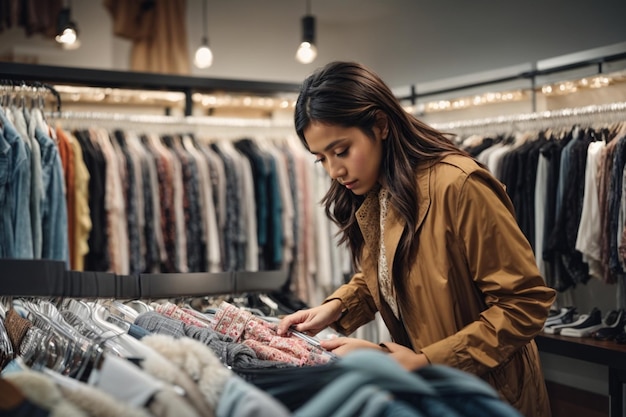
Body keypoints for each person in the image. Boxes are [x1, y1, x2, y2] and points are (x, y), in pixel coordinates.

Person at [276, 61, 556, 417]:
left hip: (490, 395)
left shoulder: (461, 186)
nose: (335, 171)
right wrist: (336, 307)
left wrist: (425, 361)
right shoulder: (381, 191)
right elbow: (390, 270)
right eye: (322, 160)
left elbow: (525, 304)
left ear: (380, 125)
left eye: (342, 151)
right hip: (432, 392)